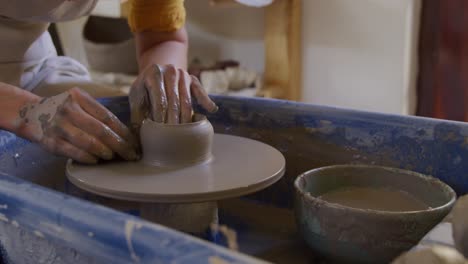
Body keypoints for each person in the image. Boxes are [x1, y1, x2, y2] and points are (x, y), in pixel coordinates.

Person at [0, 0, 218, 164]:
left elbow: (162, 37)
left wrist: (163, 79)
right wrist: (22, 111)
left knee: (120, 128)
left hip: (31, 63)